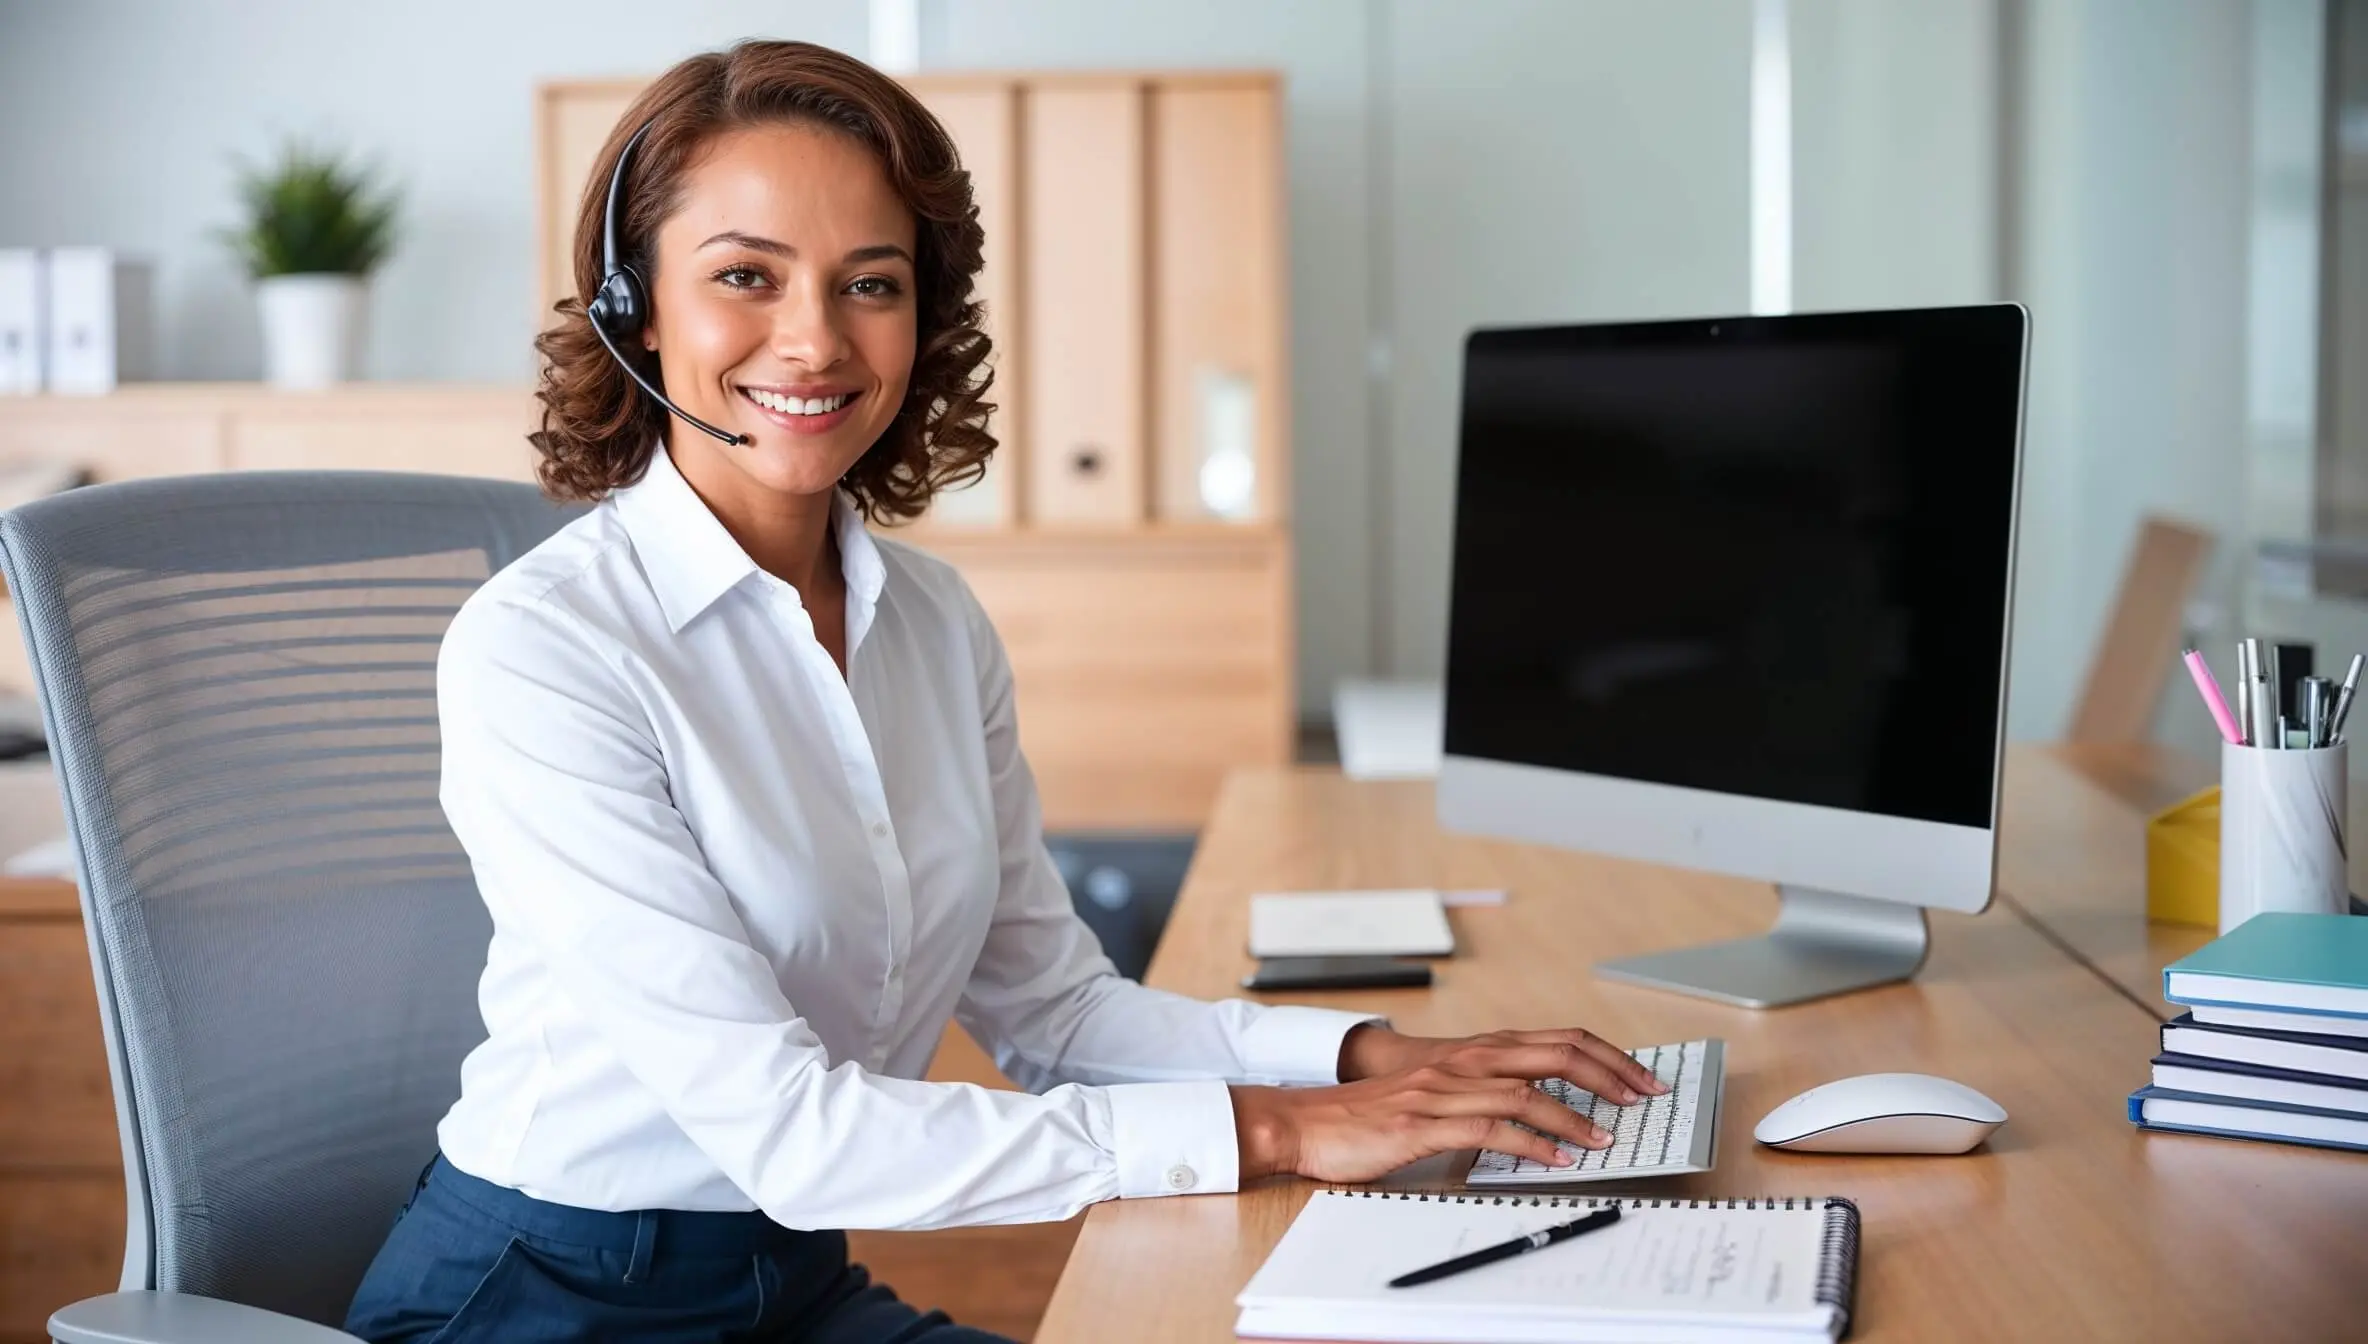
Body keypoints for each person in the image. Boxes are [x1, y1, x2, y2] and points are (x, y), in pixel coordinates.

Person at [343, 38, 1667, 1344]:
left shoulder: (929, 622)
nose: (812, 340)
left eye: (871, 283)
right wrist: (1279, 1130)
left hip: (793, 1280)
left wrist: (1370, 1063)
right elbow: (794, 1135)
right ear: (636, 307)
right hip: (549, 1299)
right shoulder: (547, 648)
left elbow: (1056, 1013)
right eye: (745, 276)